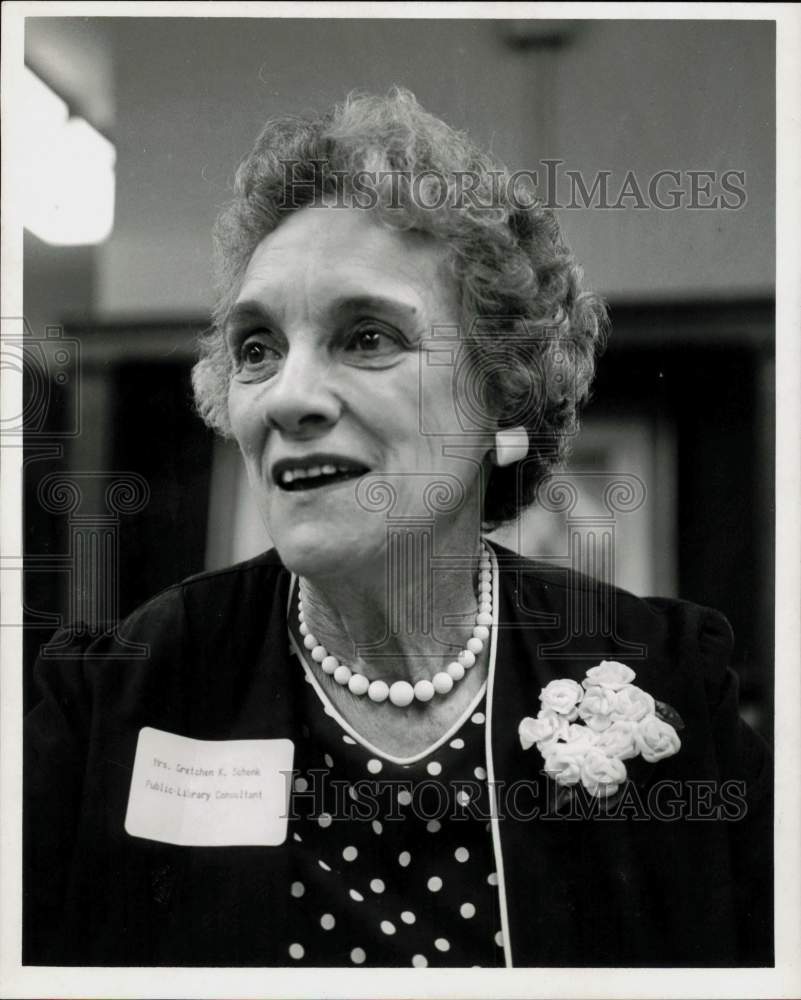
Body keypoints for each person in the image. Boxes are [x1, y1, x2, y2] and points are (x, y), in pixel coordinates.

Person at [24, 88, 771, 968]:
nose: (289, 397)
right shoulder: (115, 698)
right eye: (257, 349)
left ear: (501, 398)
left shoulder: (672, 678)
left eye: (367, 337)